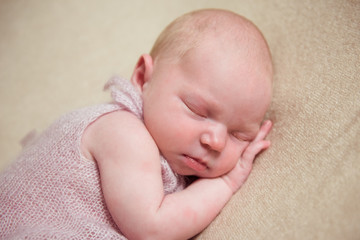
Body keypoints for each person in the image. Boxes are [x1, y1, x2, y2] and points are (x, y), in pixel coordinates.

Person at [0, 9, 273, 239]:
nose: (216, 141)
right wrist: (226, 182)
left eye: (239, 134)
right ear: (143, 78)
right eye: (197, 110)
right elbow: (152, 228)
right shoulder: (124, 132)